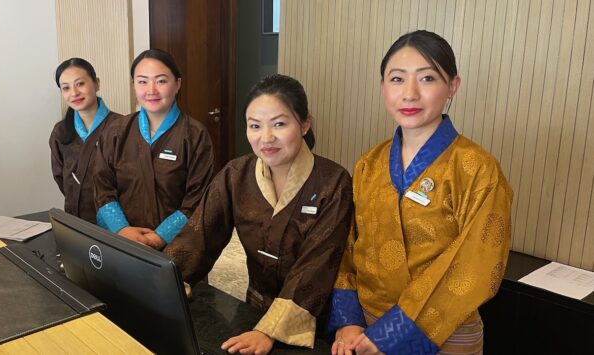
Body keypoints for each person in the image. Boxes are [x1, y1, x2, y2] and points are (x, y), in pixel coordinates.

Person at [328, 30, 513, 355]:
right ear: (383, 86)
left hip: (443, 333)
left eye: (427, 79)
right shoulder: (369, 162)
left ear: (453, 86)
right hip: (366, 329)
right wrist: (347, 320)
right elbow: (350, 245)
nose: (409, 94)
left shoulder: (476, 167)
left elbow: (477, 263)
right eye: (397, 79)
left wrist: (393, 333)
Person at [165, 74, 353, 354]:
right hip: (254, 309)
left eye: (279, 123)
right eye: (255, 126)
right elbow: (199, 235)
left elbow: (317, 264)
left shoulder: (333, 182)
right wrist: (165, 283)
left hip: (312, 320)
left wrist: (270, 329)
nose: (266, 138)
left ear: (304, 124)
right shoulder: (236, 174)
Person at [93, 49, 214, 249]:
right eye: (142, 81)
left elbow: (199, 197)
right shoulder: (116, 132)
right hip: (123, 241)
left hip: (178, 244)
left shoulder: (195, 135)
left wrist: (159, 237)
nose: (151, 90)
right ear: (134, 85)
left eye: (161, 81)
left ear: (177, 84)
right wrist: (121, 230)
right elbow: (102, 186)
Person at [50, 58, 124, 224]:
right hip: (76, 220)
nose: (74, 93)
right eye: (66, 88)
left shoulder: (123, 127)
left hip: (119, 226)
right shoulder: (60, 132)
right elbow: (61, 179)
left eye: (80, 84)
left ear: (96, 84)